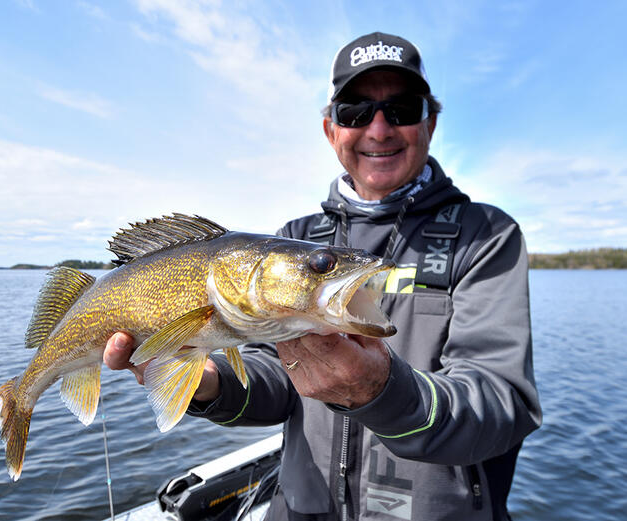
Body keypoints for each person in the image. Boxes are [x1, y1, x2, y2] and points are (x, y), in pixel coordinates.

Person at [104, 31, 541, 521]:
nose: (378, 129)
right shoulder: (294, 236)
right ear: (331, 129)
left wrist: (384, 394)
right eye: (355, 111)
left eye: (402, 109)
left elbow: (502, 403)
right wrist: (210, 383)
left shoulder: (487, 235)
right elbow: (275, 381)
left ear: (430, 123)